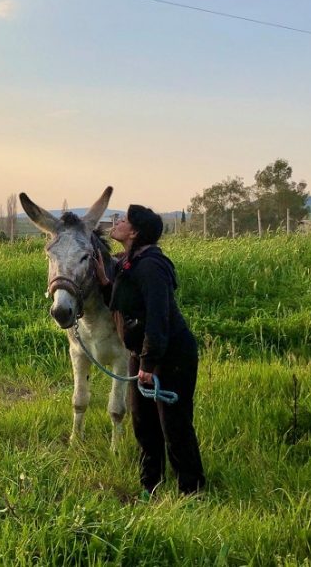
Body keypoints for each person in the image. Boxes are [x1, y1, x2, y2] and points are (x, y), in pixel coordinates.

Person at [95, 204, 206, 496]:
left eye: (123, 220)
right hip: (144, 354)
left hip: (170, 355)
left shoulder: (152, 267)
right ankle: (150, 486)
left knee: (175, 425)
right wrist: (107, 284)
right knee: (143, 424)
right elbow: (126, 305)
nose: (116, 222)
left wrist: (147, 363)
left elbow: (159, 318)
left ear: (134, 232)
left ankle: (191, 492)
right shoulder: (130, 262)